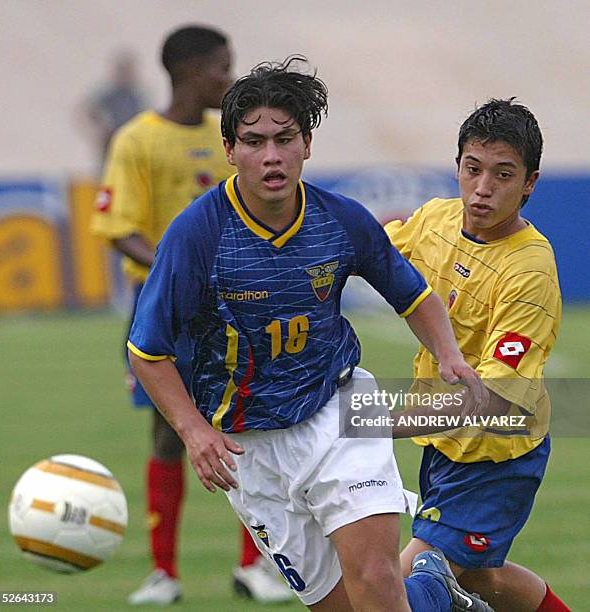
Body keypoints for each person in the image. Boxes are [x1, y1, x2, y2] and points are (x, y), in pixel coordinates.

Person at [127, 56, 494, 611]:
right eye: (253, 142)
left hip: (340, 411)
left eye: (284, 138)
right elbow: (147, 351)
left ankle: (411, 588)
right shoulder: (197, 234)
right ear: (230, 150)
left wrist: (448, 356)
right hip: (249, 446)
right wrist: (193, 430)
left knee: (374, 574)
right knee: (341, 605)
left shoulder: (341, 219)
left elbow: (412, 294)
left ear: (307, 143)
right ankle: (432, 591)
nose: (270, 155)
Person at [90, 25, 292, 606]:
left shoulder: (230, 138)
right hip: (163, 307)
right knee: (168, 434)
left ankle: (255, 566)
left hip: (233, 306)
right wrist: (178, 270)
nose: (228, 80)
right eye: (221, 69)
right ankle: (164, 574)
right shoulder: (137, 140)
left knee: (248, 426)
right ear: (188, 70)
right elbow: (116, 226)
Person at [385, 99, 570, 611]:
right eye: (473, 169)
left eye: (503, 175)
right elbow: (371, 254)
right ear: (458, 166)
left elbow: (487, 398)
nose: (483, 188)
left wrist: (375, 420)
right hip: (444, 450)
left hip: (496, 459)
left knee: (389, 591)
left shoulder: (529, 272)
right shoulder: (436, 221)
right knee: (485, 581)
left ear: (529, 182)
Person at [84, 50, 148, 170]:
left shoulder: (137, 95)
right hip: (112, 140)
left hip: (132, 142)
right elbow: (88, 110)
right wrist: (101, 129)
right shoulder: (109, 93)